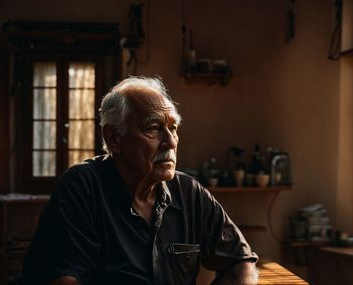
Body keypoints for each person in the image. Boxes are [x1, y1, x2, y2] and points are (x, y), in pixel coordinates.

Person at [20, 76, 258, 285]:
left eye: (173, 128)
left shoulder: (190, 194)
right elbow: (62, 278)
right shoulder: (80, 189)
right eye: (153, 128)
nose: (171, 141)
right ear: (113, 139)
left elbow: (241, 261)